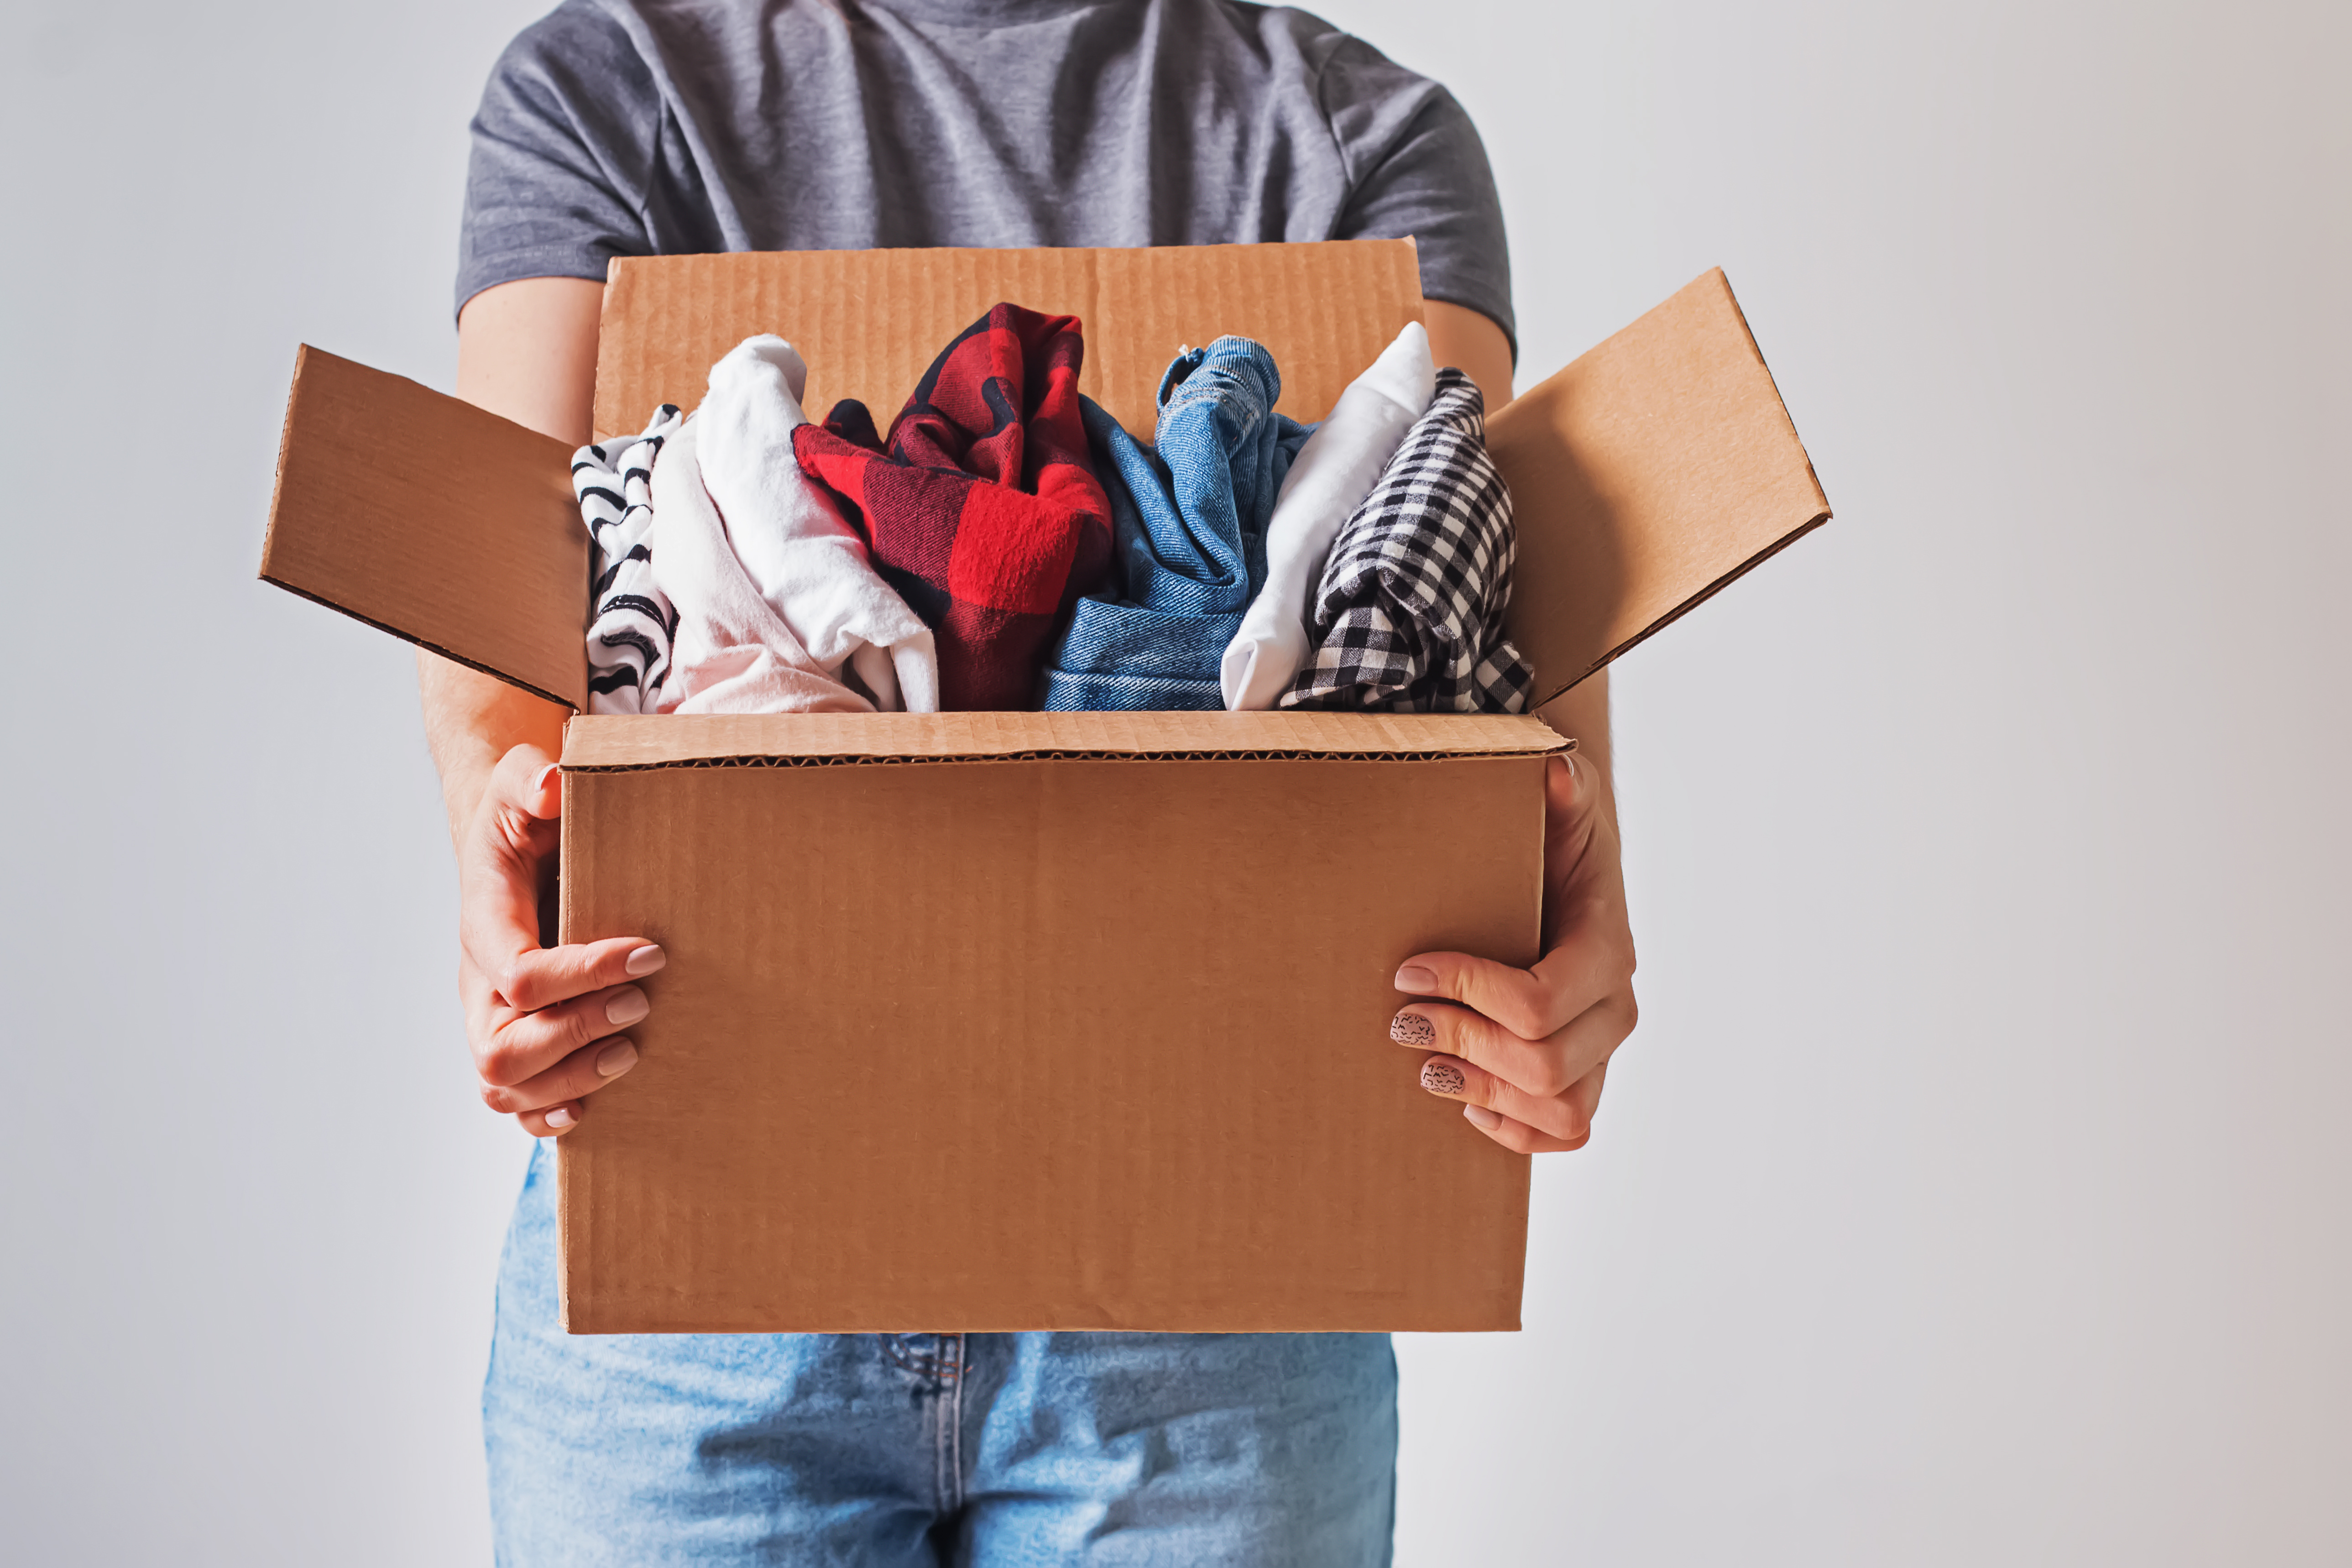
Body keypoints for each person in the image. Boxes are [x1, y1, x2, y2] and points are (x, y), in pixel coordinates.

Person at [428, 2, 1636, 1562]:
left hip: (1218, 1295)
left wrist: (1570, 912)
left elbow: (1470, 622)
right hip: (698, 1262)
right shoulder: (616, 93)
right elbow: (495, 561)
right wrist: (497, 855)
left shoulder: (1356, 142)